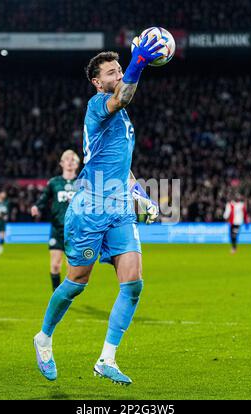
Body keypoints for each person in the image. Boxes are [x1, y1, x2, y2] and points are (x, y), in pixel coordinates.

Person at [34, 37, 162, 385]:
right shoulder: (98, 105)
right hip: (90, 207)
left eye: (121, 69)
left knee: (133, 284)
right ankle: (44, 338)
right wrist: (138, 63)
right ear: (97, 81)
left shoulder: (122, 118)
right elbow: (123, 95)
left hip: (119, 206)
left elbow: (123, 167)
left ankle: (107, 358)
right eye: (111, 71)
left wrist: (142, 196)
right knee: (77, 282)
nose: (118, 74)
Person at [31, 150, 80, 291]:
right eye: (67, 159)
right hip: (57, 228)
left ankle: (67, 295)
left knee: (71, 267)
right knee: (55, 265)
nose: (70, 162)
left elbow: (89, 204)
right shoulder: (54, 182)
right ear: (61, 163)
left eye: (73, 160)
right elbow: (44, 198)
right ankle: (56, 295)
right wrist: (36, 206)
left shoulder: (82, 183)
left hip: (75, 230)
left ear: (77, 164)